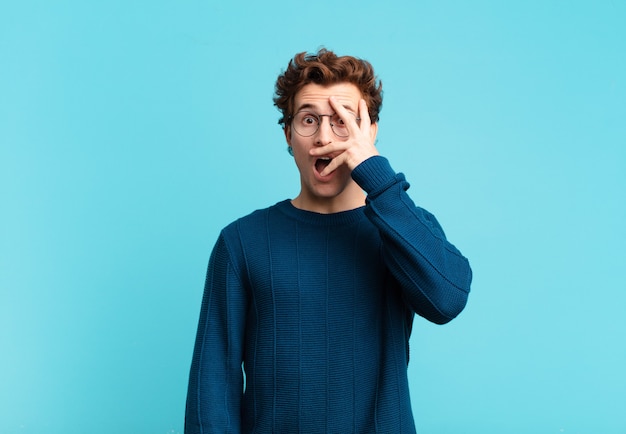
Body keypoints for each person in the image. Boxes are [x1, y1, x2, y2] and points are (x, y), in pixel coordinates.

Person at [184, 48, 472, 433]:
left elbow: (448, 299)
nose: (324, 137)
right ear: (288, 134)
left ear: (370, 131)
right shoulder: (242, 242)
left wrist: (377, 175)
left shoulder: (402, 227)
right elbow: (212, 385)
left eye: (343, 122)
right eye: (308, 120)